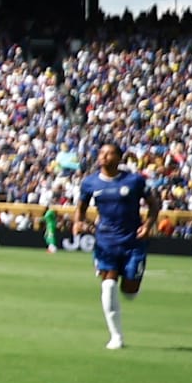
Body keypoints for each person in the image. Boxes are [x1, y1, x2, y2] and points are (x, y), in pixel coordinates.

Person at [74, 141, 155, 350]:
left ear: (119, 158)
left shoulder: (134, 181)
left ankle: (131, 282)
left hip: (133, 242)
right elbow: (81, 207)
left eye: (109, 154)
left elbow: (154, 204)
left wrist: (148, 224)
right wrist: (78, 222)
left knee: (129, 291)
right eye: (102, 153)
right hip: (105, 242)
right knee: (108, 286)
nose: (104, 157)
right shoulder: (90, 183)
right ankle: (116, 337)